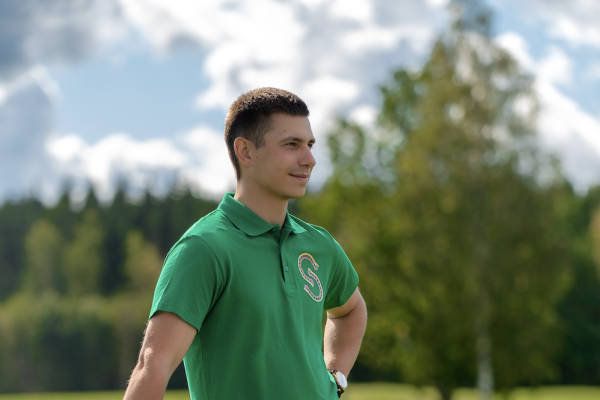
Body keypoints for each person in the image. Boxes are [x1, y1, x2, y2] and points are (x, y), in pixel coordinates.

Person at [123, 87, 367, 400]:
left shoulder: (320, 244)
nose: (309, 159)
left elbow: (351, 309)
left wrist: (335, 379)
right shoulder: (204, 248)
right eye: (291, 144)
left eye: (309, 145)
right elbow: (153, 363)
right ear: (246, 152)